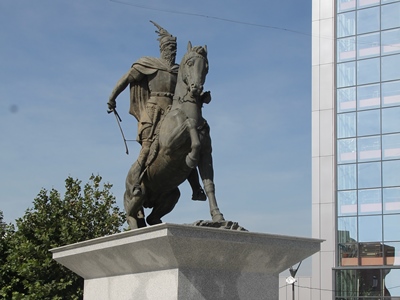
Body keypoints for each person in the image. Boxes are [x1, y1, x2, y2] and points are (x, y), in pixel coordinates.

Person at [107, 21, 206, 200]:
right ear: (162, 48)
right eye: (169, 47)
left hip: (174, 110)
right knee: (147, 148)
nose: (172, 51)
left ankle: (196, 188)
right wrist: (112, 97)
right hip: (153, 111)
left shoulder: (179, 70)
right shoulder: (149, 64)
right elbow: (126, 79)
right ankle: (136, 182)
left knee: (188, 145)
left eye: (174, 48)